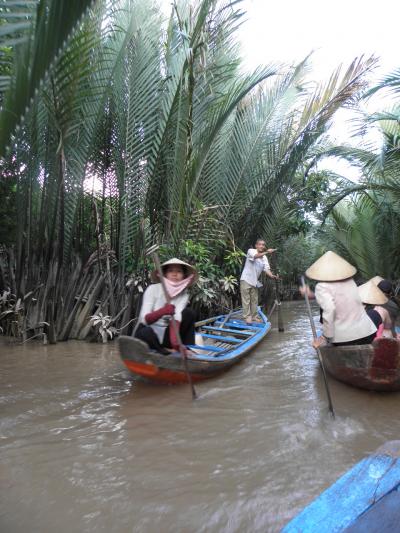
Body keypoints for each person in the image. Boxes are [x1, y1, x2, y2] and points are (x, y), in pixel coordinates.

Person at [305, 251, 377, 347]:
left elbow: (330, 309)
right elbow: (341, 297)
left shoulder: (322, 286)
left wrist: (325, 337)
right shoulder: (351, 281)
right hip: (368, 332)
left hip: (344, 338)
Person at [135, 258, 198, 355]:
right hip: (149, 334)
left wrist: (175, 343)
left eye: (179, 271)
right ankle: (162, 350)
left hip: (166, 334)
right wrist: (162, 311)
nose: (174, 274)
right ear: (165, 274)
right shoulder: (152, 289)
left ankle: (186, 349)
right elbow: (144, 319)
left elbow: (177, 317)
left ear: (184, 276)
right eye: (170, 271)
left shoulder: (183, 295)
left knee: (189, 313)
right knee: (145, 332)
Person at [240, 239, 278, 324]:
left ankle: (254, 316)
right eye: (260, 244)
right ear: (256, 245)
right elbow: (255, 256)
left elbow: (266, 269)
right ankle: (247, 316)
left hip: (254, 281)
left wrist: (272, 276)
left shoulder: (264, 258)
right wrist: (267, 252)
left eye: (263, 245)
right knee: (246, 299)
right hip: (246, 279)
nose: (261, 246)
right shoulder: (251, 251)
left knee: (254, 300)